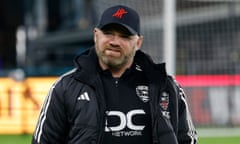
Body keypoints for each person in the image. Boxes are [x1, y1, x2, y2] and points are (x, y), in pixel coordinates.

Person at [32, 5, 198, 144]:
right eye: (108, 33)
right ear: (96, 35)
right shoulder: (66, 87)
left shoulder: (165, 86)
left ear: (138, 42)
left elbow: (188, 140)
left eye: (124, 36)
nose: (114, 42)